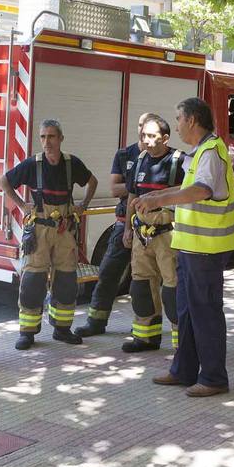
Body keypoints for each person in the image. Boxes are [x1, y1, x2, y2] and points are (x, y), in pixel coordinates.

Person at [131, 97, 234, 397]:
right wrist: (158, 195)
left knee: (205, 314)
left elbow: (202, 190)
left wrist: (158, 200)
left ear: (192, 120)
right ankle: (184, 370)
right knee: (188, 312)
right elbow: (187, 188)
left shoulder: (211, 152)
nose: (175, 125)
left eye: (178, 118)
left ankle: (214, 378)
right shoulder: (200, 151)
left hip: (207, 249)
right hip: (192, 248)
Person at [3, 119, 98, 350]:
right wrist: (21, 205)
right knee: (33, 281)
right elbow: (4, 181)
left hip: (64, 232)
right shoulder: (32, 164)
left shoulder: (71, 163)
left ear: (61, 139)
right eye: (43, 137)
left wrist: (82, 205)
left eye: (52, 137)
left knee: (66, 281)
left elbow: (92, 181)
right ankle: (27, 332)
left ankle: (62, 329)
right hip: (40, 231)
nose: (47, 142)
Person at [75, 120, 148, 337]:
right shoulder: (125, 154)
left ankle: (148, 327)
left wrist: (134, 186)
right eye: (141, 127)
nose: (145, 133)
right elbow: (115, 189)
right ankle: (96, 322)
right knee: (107, 274)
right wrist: (140, 185)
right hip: (123, 224)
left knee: (148, 280)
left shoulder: (167, 157)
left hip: (152, 227)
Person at [121, 114, 185, 353]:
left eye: (151, 136)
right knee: (141, 286)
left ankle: (182, 343)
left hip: (168, 234)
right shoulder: (138, 161)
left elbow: (194, 192)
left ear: (165, 138)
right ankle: (146, 338)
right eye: (143, 135)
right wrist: (127, 228)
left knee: (173, 289)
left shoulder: (180, 161)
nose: (146, 141)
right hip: (141, 235)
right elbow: (131, 197)